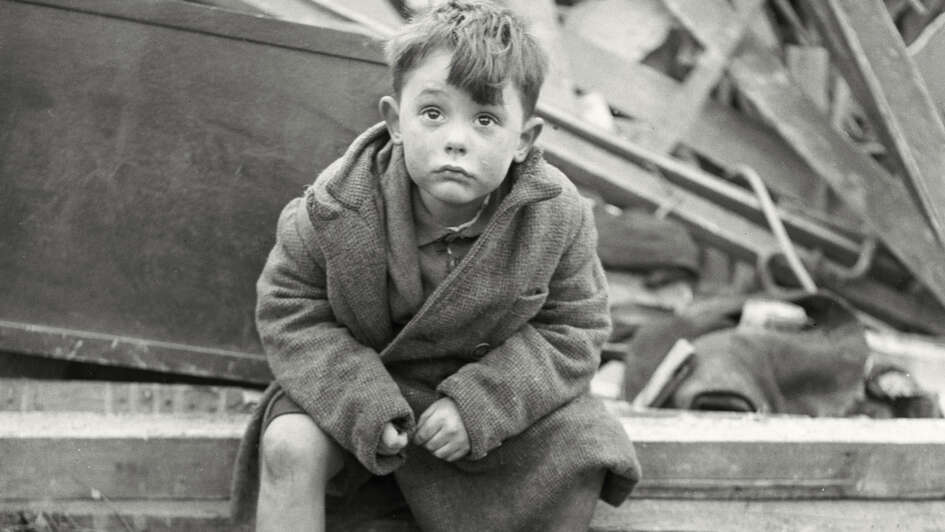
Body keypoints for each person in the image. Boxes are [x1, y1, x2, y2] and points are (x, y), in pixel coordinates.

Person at [230, 2, 641, 530]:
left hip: (493, 393)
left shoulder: (554, 214)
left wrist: (480, 404)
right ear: (394, 121)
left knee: (584, 449)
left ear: (525, 141)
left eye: (486, 119)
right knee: (289, 445)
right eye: (432, 113)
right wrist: (362, 403)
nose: (456, 139)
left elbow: (574, 329)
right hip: (364, 382)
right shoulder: (336, 206)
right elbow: (291, 312)